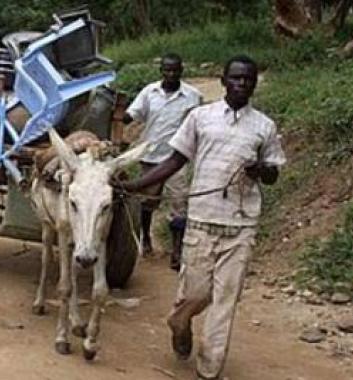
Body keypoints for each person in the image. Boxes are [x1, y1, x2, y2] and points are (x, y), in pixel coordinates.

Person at [115, 55, 285, 380]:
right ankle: (180, 322)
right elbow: (175, 160)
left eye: (248, 79)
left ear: (254, 84)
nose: (242, 84)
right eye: (235, 78)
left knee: (225, 299)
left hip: (241, 223)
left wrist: (262, 170)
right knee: (195, 294)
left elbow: (273, 173)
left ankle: (209, 368)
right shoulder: (200, 117)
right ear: (223, 81)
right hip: (202, 222)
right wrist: (135, 185)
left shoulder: (264, 126)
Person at [122, 53, 203, 270]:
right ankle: (145, 238)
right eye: (167, 70)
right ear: (161, 72)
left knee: (179, 203)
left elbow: (197, 126)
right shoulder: (149, 93)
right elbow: (131, 114)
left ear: (181, 70)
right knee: (146, 202)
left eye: (175, 70)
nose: (171, 74)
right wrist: (116, 115)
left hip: (177, 159)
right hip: (150, 156)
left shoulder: (193, 96)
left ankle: (177, 251)